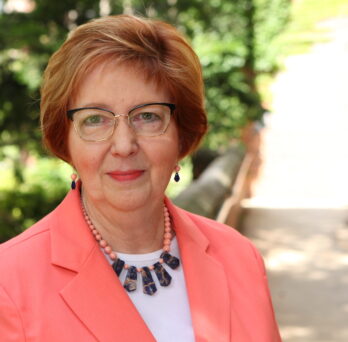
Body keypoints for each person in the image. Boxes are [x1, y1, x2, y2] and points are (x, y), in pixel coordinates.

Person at [0, 15, 281, 342]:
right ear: (65, 141)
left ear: (181, 135)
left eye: (147, 116)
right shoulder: (9, 282)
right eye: (95, 120)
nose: (123, 145)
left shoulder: (238, 257)